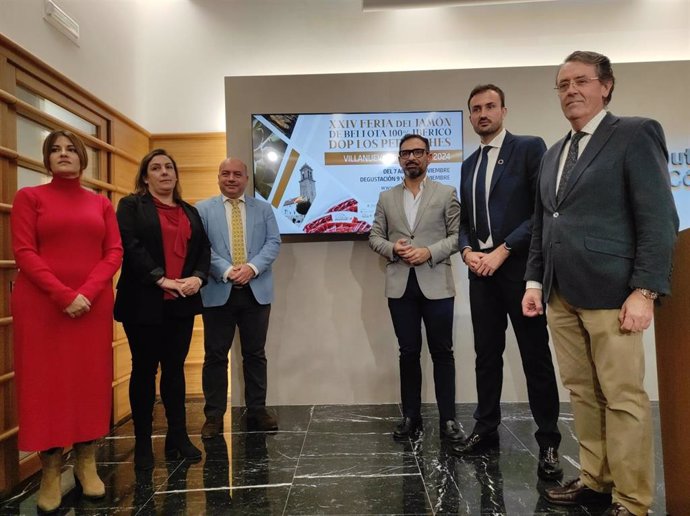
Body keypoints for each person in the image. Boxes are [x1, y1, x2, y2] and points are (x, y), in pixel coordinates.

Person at [522, 51, 678, 516]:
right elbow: (542, 226)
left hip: (615, 295)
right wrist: (534, 282)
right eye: (562, 84)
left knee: (624, 398)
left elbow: (659, 219)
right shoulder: (554, 153)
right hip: (559, 294)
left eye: (581, 81)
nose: (571, 90)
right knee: (582, 394)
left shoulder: (634, 133)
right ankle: (596, 480)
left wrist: (645, 290)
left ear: (606, 86)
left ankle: (632, 501)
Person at [451, 84, 562, 480]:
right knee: (486, 356)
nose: (483, 113)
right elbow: (464, 222)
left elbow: (541, 210)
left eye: (490, 106)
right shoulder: (468, 164)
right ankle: (486, 429)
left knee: (535, 357)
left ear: (504, 110)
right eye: (475, 108)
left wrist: (502, 251)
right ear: (470, 116)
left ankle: (548, 440)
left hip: (519, 271)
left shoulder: (529, 148)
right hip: (480, 273)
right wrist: (466, 252)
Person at [11, 130, 123, 512]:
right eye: (55, 149)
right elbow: (24, 251)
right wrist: (63, 294)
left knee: (87, 380)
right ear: (46, 158)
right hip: (43, 308)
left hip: (90, 308)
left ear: (82, 158)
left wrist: (86, 293)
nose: (63, 154)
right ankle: (51, 468)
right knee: (46, 385)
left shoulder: (101, 204)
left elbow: (113, 252)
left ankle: (86, 461)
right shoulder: (29, 198)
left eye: (71, 149)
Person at [114, 149, 210, 471]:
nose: (164, 172)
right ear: (145, 176)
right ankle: (143, 442)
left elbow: (203, 250)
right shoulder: (130, 206)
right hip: (143, 303)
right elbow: (131, 247)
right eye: (156, 168)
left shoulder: (190, 211)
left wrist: (197, 277)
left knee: (174, 371)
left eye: (169, 167)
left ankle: (178, 437)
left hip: (181, 303)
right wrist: (162, 280)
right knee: (144, 371)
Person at [369, 134, 463, 443]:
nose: (412, 157)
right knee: (408, 352)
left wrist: (429, 252)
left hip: (436, 283)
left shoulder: (446, 193)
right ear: (399, 159)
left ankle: (449, 419)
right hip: (400, 287)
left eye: (418, 152)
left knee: (442, 352)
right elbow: (375, 237)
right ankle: (411, 417)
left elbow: (456, 236)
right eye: (406, 153)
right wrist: (393, 248)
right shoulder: (386, 197)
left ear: (429, 156)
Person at [196, 157, 281, 436]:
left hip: (256, 292)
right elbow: (201, 247)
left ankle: (258, 410)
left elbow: (273, 243)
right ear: (218, 177)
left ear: (246, 179)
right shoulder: (202, 210)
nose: (231, 179)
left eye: (237, 174)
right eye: (225, 174)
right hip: (218, 291)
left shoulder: (264, 209)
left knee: (255, 354)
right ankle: (214, 416)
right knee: (215, 356)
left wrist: (251, 268)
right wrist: (228, 270)